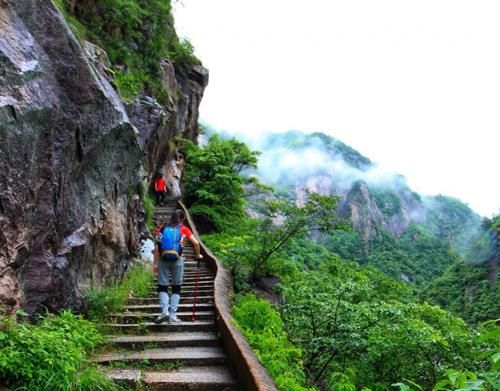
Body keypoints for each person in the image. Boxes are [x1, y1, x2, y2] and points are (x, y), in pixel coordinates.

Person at [153, 209, 202, 323]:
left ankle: (164, 311)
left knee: (162, 285)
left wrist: (155, 264)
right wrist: (197, 255)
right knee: (176, 287)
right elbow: (196, 243)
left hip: (163, 258)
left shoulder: (163, 228)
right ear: (182, 219)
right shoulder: (183, 229)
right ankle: (172, 315)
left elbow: (157, 247)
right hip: (178, 260)